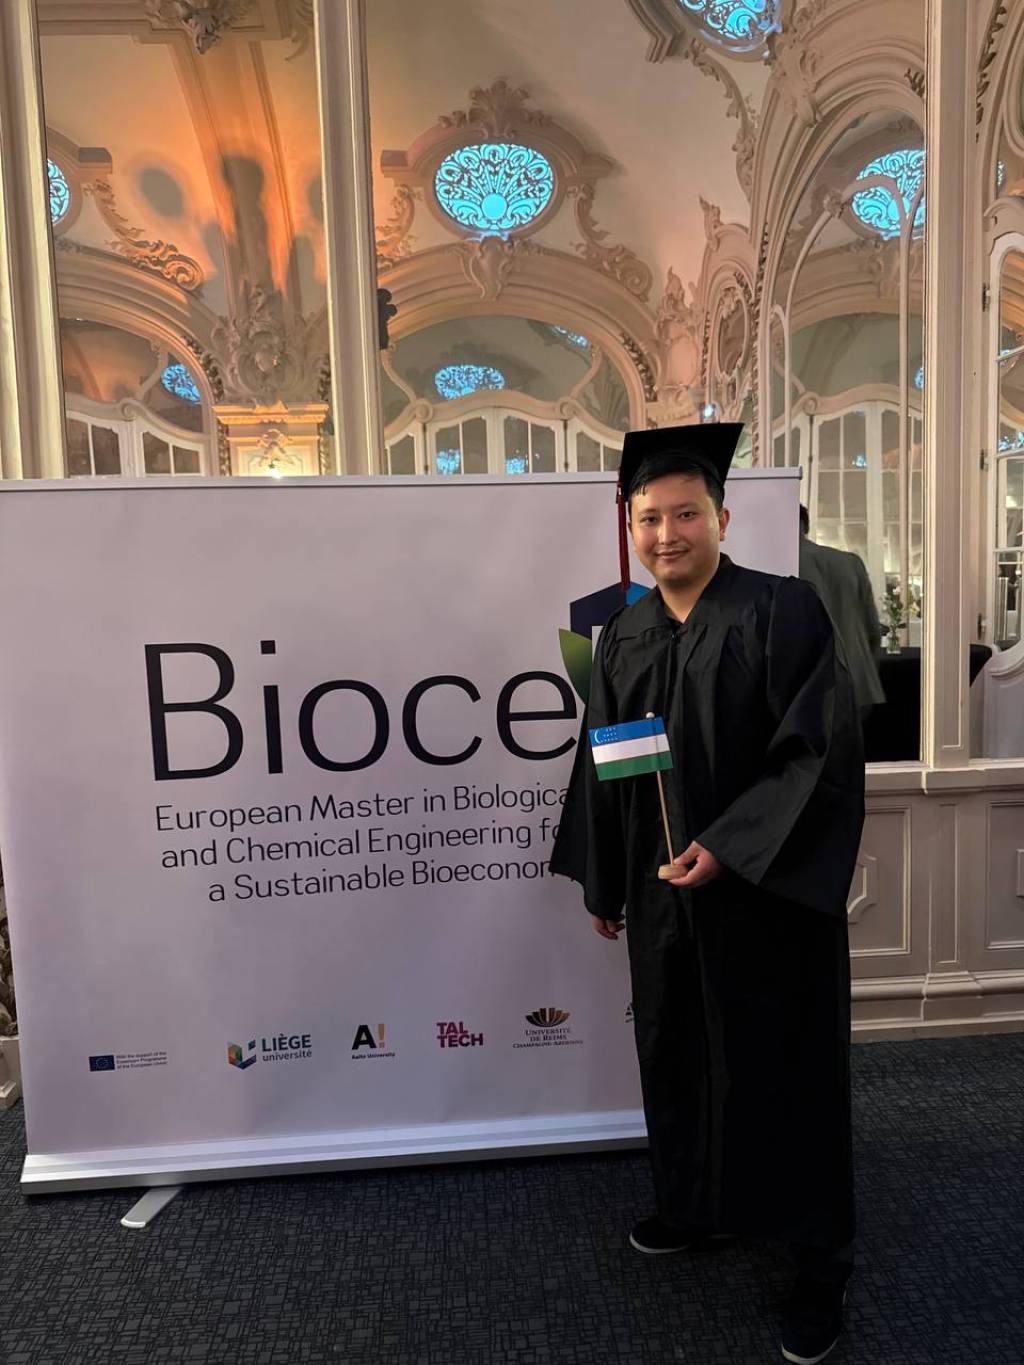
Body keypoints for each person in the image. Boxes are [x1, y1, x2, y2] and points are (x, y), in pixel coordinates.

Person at [550, 424, 865, 1365]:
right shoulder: (625, 635)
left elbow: (816, 753)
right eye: (650, 517)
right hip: (664, 899)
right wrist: (607, 876)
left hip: (766, 897)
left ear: (723, 518)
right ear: (631, 527)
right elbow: (609, 763)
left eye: (686, 513)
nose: (667, 533)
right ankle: (696, 1205)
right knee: (678, 1050)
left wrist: (728, 846)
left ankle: (818, 1263)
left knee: (784, 1066)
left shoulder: (781, 610)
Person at [798, 504, 885, 720]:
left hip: (808, 690)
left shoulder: (775, 565)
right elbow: (873, 630)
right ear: (805, 526)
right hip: (860, 684)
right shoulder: (850, 562)